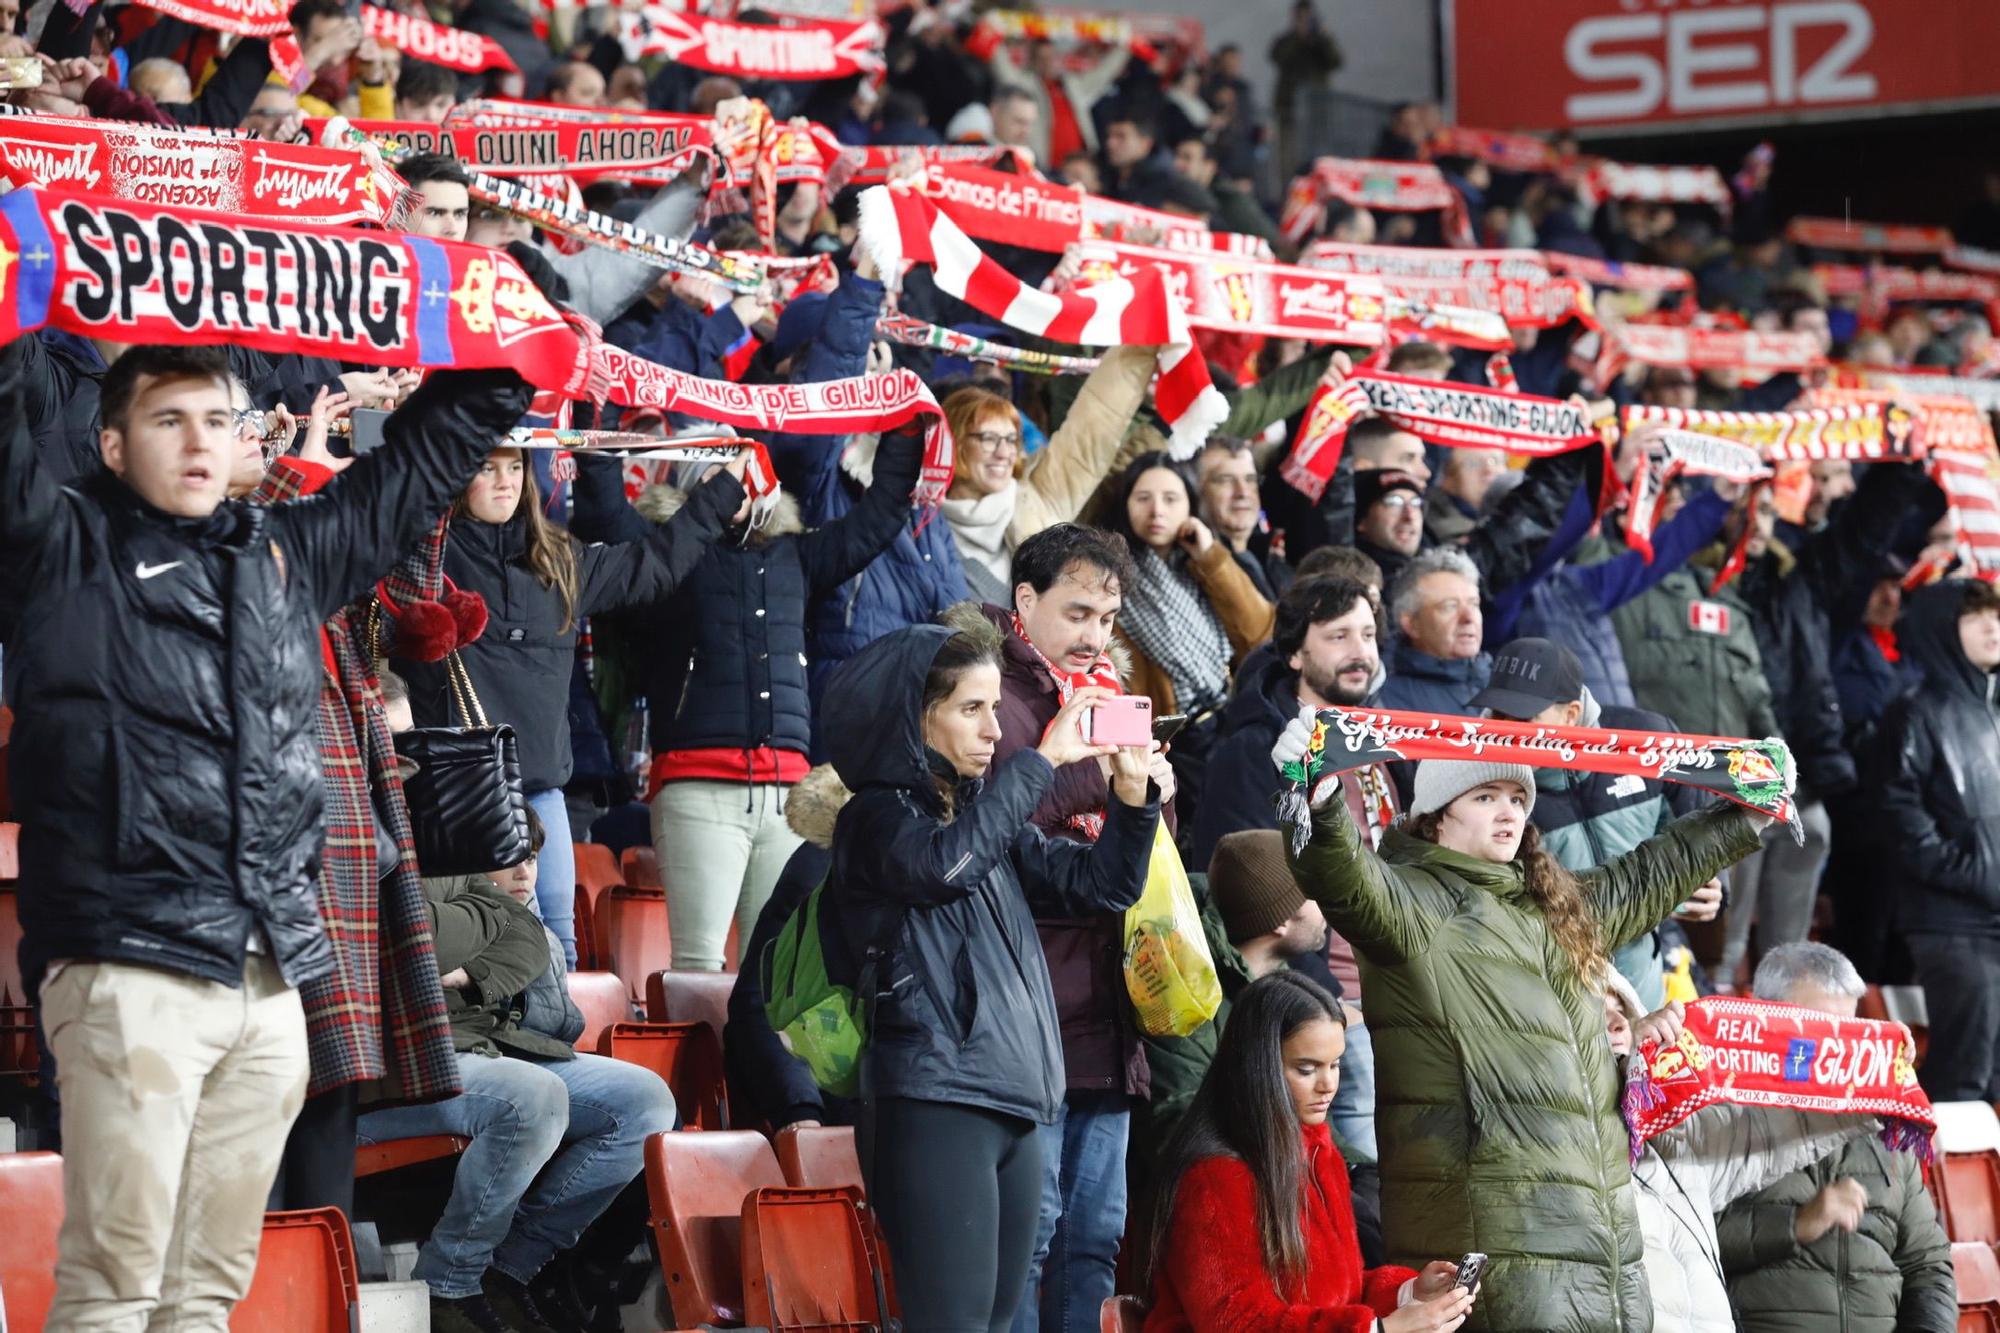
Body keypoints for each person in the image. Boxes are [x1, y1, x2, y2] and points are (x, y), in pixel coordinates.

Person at [1, 338, 536, 1329]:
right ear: (110, 444)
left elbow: (423, 459)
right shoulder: (55, 545)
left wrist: (502, 344)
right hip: (131, 963)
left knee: (208, 1290)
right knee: (117, 1286)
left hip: (273, 976)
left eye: (219, 418)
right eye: (169, 419)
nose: (202, 441)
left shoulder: (289, 550)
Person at [1273, 732, 1769, 1330]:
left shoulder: (1553, 908)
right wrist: (1321, 801)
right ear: (1434, 818)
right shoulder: (1410, 905)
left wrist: (1748, 808)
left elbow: (1651, 871)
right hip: (1500, 1265)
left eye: (1517, 797)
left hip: (1609, 1264)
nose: (1509, 811)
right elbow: (1341, 873)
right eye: (1485, 796)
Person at [822, 620, 1162, 1333]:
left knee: (1002, 1323)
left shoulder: (983, 813)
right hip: (935, 1094)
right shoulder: (876, 818)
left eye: (994, 709)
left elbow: (1100, 887)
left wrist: (1133, 806)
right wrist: (1038, 764)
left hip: (1019, 1093)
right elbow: (946, 866)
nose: (991, 729)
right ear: (916, 717)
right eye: (970, 709)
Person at [568, 423, 926, 971]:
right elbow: (600, 504)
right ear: (692, 486)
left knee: (776, 972)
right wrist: (601, 407)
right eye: (720, 471)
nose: (738, 482)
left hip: (789, 797)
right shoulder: (660, 552)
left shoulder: (797, 554)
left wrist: (904, 431)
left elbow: (879, 515)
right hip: (698, 790)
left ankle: (757, 1062)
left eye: (744, 467)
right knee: (698, 964)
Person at [392, 443, 746, 967]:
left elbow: (653, 564)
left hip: (542, 794)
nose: (505, 482)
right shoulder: (422, 557)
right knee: (469, 950)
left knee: (559, 948)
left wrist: (721, 492)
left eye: (515, 467)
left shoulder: (559, 559)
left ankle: (556, 1050)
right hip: (454, 796)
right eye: (487, 469)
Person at [940, 525, 1169, 1333]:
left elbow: (1124, 878)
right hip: (1022, 1018)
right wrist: (1060, 758)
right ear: (1025, 602)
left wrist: (1144, 799)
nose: (1093, 635)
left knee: (1092, 1244)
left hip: (1108, 1020)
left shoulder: (1108, 699)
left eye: (1107, 618)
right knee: (1026, 1243)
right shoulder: (986, 698)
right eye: (1077, 612)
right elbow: (996, 842)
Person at [354, 816, 678, 1333]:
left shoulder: (495, 896)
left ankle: (511, 1267)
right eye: (510, 855)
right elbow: (412, 943)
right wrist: (482, 948)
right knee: (533, 1095)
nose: (523, 870)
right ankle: (450, 1282)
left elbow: (538, 974)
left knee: (645, 1099)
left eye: (530, 857)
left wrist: (475, 972)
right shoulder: (397, 860)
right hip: (403, 1064)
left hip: (495, 1047)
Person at [1144, 972, 1473, 1333]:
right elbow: (1238, 1321)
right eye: (1307, 1068)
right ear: (1258, 1066)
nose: (1328, 1084)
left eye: (1335, 1065)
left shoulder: (1318, 1150)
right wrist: (1380, 1330)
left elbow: (1342, 1291)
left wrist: (1409, 1292)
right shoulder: (1212, 1176)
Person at [1602, 976, 1879, 1333]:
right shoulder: (1552, 1144)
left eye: (1621, 1007)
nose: (1617, 1021)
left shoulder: (1681, 1133)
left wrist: (1873, 1075)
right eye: (1596, 1010)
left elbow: (1774, 1128)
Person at [1715, 943, 1956, 1332]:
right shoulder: (1723, 1120)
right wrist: (1795, 1224)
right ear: (1763, 1017)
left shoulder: (1885, 1132)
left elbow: (1928, 1265)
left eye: (1848, 1029)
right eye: (1820, 1028)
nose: (1837, 1047)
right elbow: (1689, 1245)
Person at [1471, 638, 1721, 1010]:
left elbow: (1704, 827)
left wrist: (1715, 884)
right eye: (1498, 713)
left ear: (1571, 715)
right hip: (1552, 1005)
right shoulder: (1476, 777)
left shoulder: (1646, 738)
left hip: (1644, 995)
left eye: (1523, 718)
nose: (1506, 730)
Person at [1877, 579, 2000, 1100]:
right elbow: (1897, 812)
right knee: (1963, 1067)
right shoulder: (1914, 710)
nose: (1993, 627)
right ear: (1943, 628)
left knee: (1993, 1073)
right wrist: (1966, 871)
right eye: (1977, 618)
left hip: (1991, 912)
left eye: (1996, 616)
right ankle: (1926, 1181)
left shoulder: (1993, 710)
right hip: (1948, 920)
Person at [1103, 452, 1275, 822]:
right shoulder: (1108, 575)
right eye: (1143, 498)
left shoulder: (1205, 564)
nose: (1157, 511)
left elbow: (1261, 634)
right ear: (1125, 503)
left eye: (1171, 499)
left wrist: (1210, 556)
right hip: (1173, 741)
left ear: (1190, 506)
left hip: (1230, 719)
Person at [1193, 575, 1389, 868]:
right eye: (1339, 636)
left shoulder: (1387, 734)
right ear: (1295, 654)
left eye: (1368, 635)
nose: (1360, 652)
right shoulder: (1251, 752)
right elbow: (1248, 879)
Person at [938, 347, 1157, 604]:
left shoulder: (1038, 496)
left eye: (1010, 440)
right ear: (954, 441)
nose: (1003, 453)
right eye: (988, 438)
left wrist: (1143, 345)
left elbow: (1095, 424)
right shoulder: (919, 523)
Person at [1376, 549, 1490, 718]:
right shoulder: (1387, 704)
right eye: (1450, 606)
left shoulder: (1504, 683)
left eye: (1474, 604)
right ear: (1411, 624)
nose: (1468, 617)